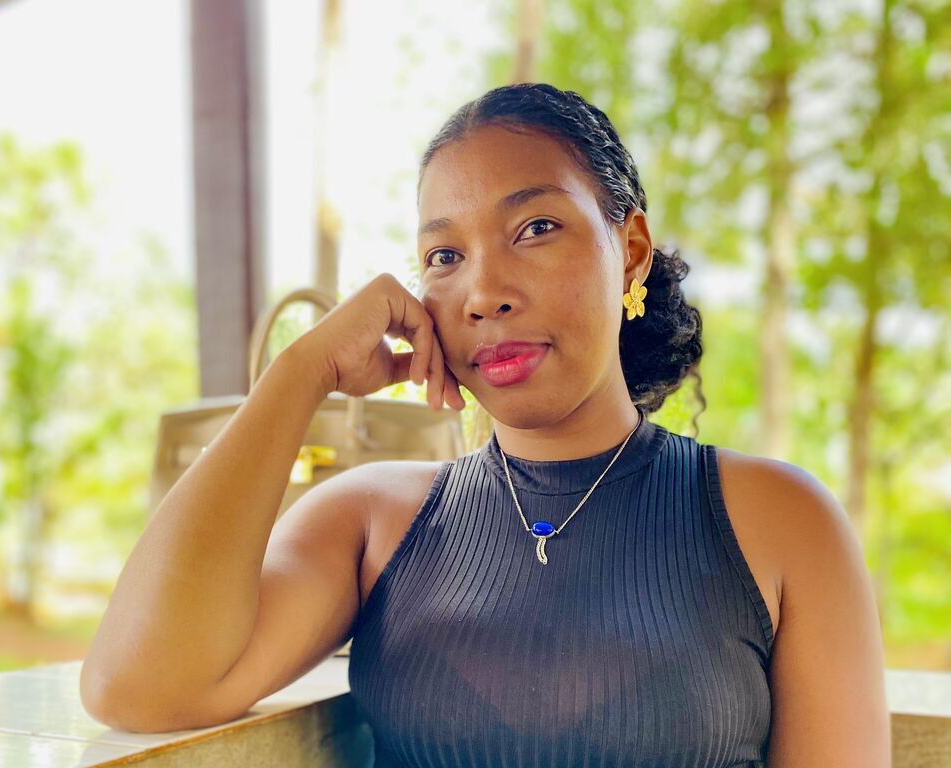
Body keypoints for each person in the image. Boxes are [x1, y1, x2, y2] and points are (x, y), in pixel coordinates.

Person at [80, 83, 891, 766]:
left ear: (632, 250)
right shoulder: (370, 522)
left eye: (535, 228)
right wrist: (302, 373)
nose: (484, 293)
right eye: (445, 256)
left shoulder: (784, 524)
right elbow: (137, 686)